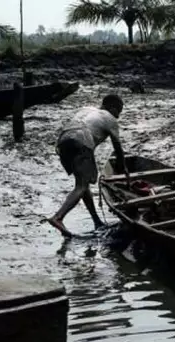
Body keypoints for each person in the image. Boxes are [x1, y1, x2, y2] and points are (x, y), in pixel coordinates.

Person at [43, 94, 127, 238]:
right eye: (118, 111)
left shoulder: (86, 109)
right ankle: (58, 217)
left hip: (63, 141)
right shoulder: (110, 118)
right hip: (81, 140)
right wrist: (124, 168)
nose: (118, 116)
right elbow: (118, 147)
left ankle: (96, 221)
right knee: (81, 186)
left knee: (83, 184)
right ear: (112, 107)